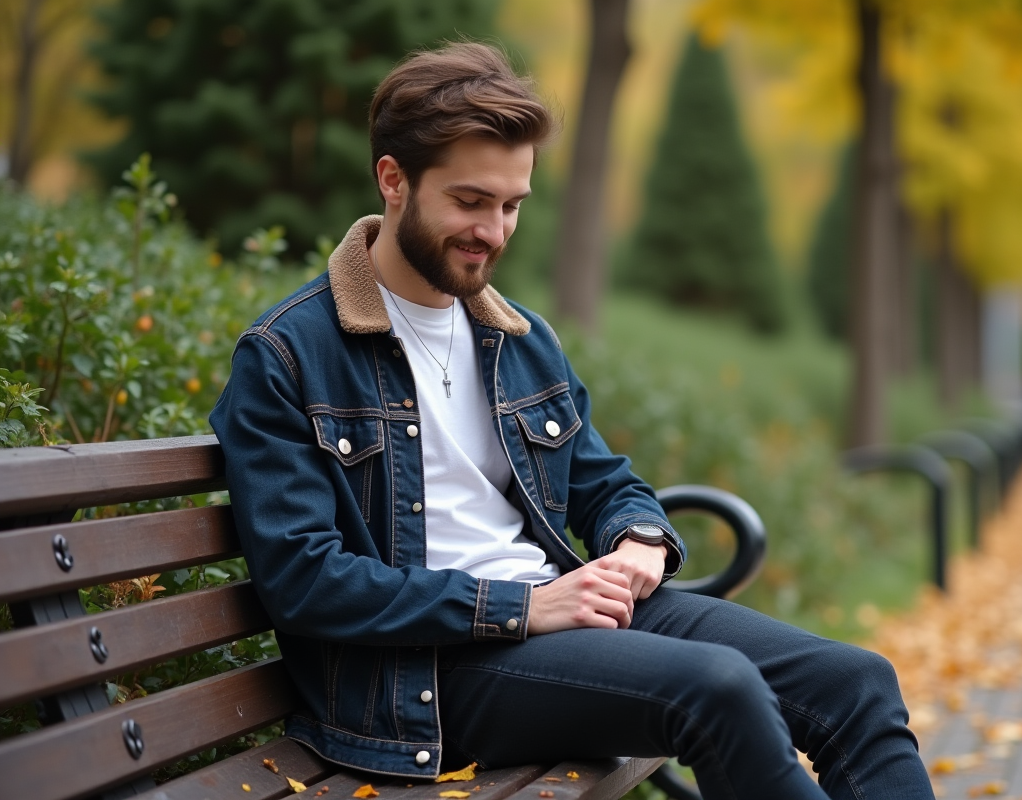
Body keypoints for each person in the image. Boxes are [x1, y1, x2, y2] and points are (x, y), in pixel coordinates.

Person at [210, 41, 935, 800]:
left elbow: (602, 479)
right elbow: (305, 580)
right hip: (429, 676)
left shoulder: (517, 338)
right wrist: (522, 606)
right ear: (393, 180)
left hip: (565, 616)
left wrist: (639, 536)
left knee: (857, 682)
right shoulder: (290, 354)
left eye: (511, 205)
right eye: (469, 201)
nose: (493, 230)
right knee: (716, 688)